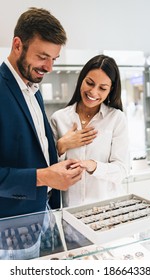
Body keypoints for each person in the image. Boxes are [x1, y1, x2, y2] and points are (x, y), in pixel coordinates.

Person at [0, 7, 84, 259]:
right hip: (7, 231)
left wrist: (57, 155)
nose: (48, 67)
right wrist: (43, 176)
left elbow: (26, 147)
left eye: (54, 59)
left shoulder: (33, 87)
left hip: (40, 217)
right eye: (42, 56)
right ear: (17, 45)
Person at [50, 54, 129, 207]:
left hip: (108, 211)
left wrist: (93, 165)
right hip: (71, 211)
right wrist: (61, 146)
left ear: (110, 90)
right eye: (90, 83)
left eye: (102, 88)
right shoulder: (58, 119)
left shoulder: (116, 119)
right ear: (82, 80)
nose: (93, 92)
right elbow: (49, 171)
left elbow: (122, 170)